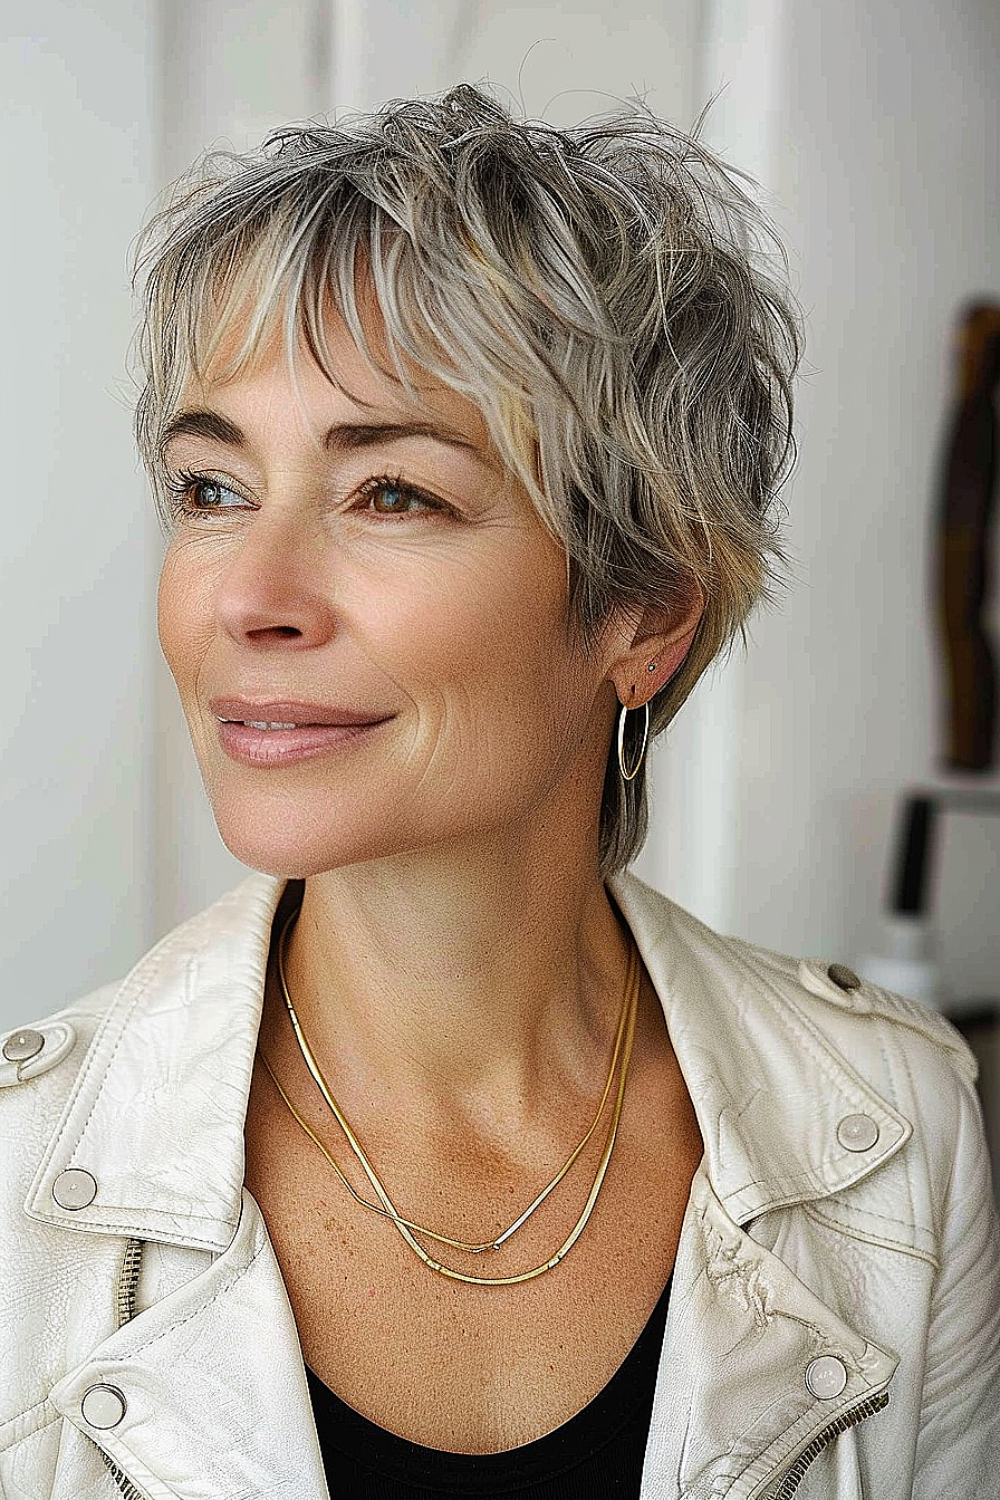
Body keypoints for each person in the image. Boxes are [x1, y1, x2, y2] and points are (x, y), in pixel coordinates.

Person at [1, 84, 997, 1500]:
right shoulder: (18, 1189)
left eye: (391, 494)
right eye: (211, 488)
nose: (250, 598)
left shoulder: (896, 1131)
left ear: (643, 611)